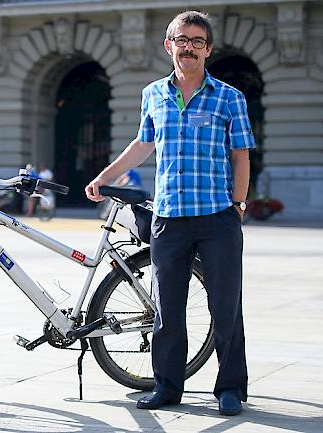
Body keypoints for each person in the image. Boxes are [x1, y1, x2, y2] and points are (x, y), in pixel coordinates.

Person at [85, 11, 254, 416]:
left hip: (217, 218)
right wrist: (104, 176)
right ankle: (167, 385)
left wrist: (239, 205)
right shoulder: (153, 94)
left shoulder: (230, 97)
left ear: (208, 49)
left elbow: (241, 155)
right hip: (169, 218)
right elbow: (142, 145)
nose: (189, 47)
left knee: (225, 307)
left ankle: (230, 387)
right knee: (167, 308)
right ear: (169, 46)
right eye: (182, 39)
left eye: (198, 41)